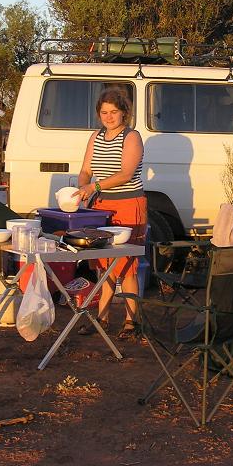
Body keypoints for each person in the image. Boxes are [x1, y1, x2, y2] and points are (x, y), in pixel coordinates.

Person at [73, 89, 147, 339]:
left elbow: (126, 174)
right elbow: (86, 170)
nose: (109, 117)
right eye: (104, 112)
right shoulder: (96, 136)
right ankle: (102, 319)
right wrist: (82, 187)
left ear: (124, 112)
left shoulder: (131, 137)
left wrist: (93, 187)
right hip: (101, 207)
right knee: (103, 264)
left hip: (128, 204)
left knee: (126, 265)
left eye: (113, 112)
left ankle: (131, 321)